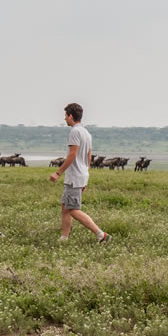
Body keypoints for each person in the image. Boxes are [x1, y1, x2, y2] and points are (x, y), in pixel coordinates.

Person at [48, 103, 111, 244]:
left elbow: (72, 155)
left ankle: (101, 234)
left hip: (74, 176)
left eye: (65, 115)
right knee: (65, 206)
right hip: (81, 175)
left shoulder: (75, 132)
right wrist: (85, 176)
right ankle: (64, 238)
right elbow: (89, 157)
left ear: (71, 116)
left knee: (72, 209)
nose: (64, 118)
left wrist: (58, 173)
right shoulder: (86, 133)